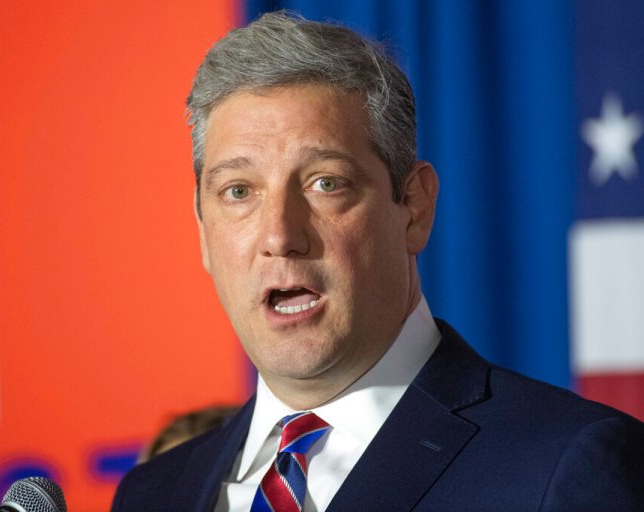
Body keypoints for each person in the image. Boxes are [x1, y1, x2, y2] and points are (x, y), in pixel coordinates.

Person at [112, 11, 644, 511]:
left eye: (326, 183)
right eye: (238, 191)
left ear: (414, 207)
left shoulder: (564, 466)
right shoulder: (152, 493)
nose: (279, 235)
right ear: (203, 230)